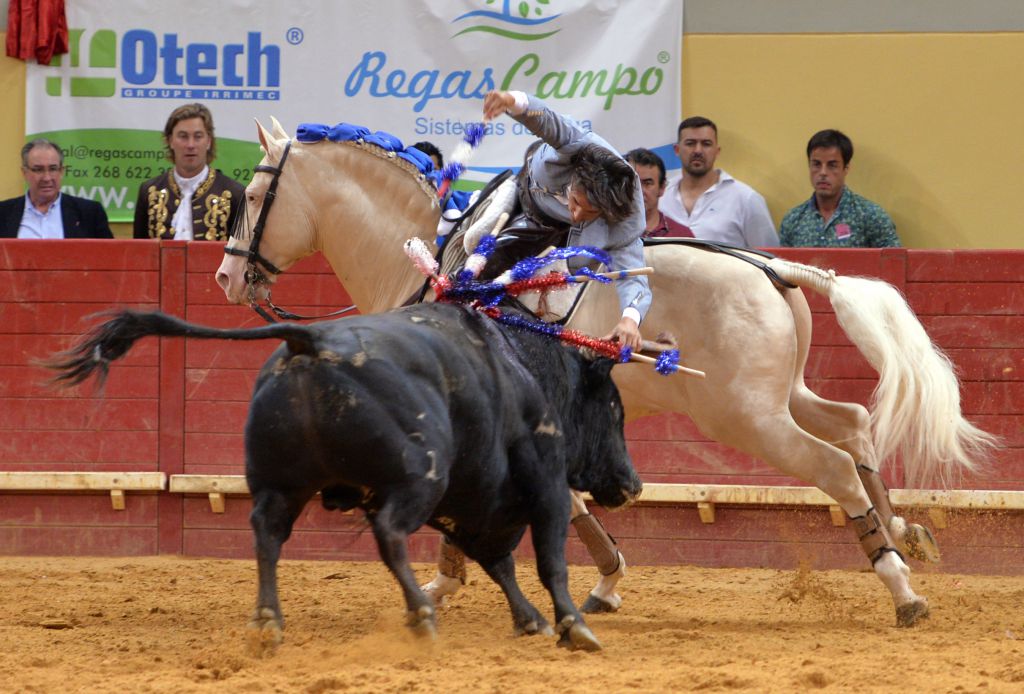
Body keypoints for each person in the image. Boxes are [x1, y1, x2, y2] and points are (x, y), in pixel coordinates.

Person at [481, 89, 650, 351]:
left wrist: (630, 319)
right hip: (528, 201)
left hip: (571, 244)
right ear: (575, 178)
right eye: (578, 203)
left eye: (591, 214)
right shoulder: (576, 142)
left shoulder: (625, 219)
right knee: (479, 255)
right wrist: (511, 101)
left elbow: (633, 274)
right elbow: (543, 116)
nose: (578, 215)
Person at [659, 116, 778, 248]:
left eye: (706, 144)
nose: (698, 150)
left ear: (717, 151)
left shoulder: (746, 199)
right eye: (690, 143)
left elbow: (768, 257)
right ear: (677, 150)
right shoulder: (661, 197)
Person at [133, 103, 244, 241]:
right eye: (183, 136)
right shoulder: (149, 191)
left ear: (208, 141)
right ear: (170, 141)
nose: (191, 145)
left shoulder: (234, 193)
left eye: (198, 136)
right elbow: (138, 253)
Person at [779, 129, 901, 248]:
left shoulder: (871, 216)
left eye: (832, 165)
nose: (823, 173)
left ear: (846, 168)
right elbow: (782, 266)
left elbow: (894, 264)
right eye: (816, 164)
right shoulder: (793, 220)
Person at [0, 139, 112, 239]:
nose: (47, 178)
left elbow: (111, 258)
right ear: (24, 173)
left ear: (61, 171)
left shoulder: (90, 213)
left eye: (53, 169)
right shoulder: (3, 213)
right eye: (38, 170)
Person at [624, 147, 694, 238]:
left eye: (647, 183)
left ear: (662, 188)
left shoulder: (683, 237)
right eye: (633, 183)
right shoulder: (606, 233)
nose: (639, 191)